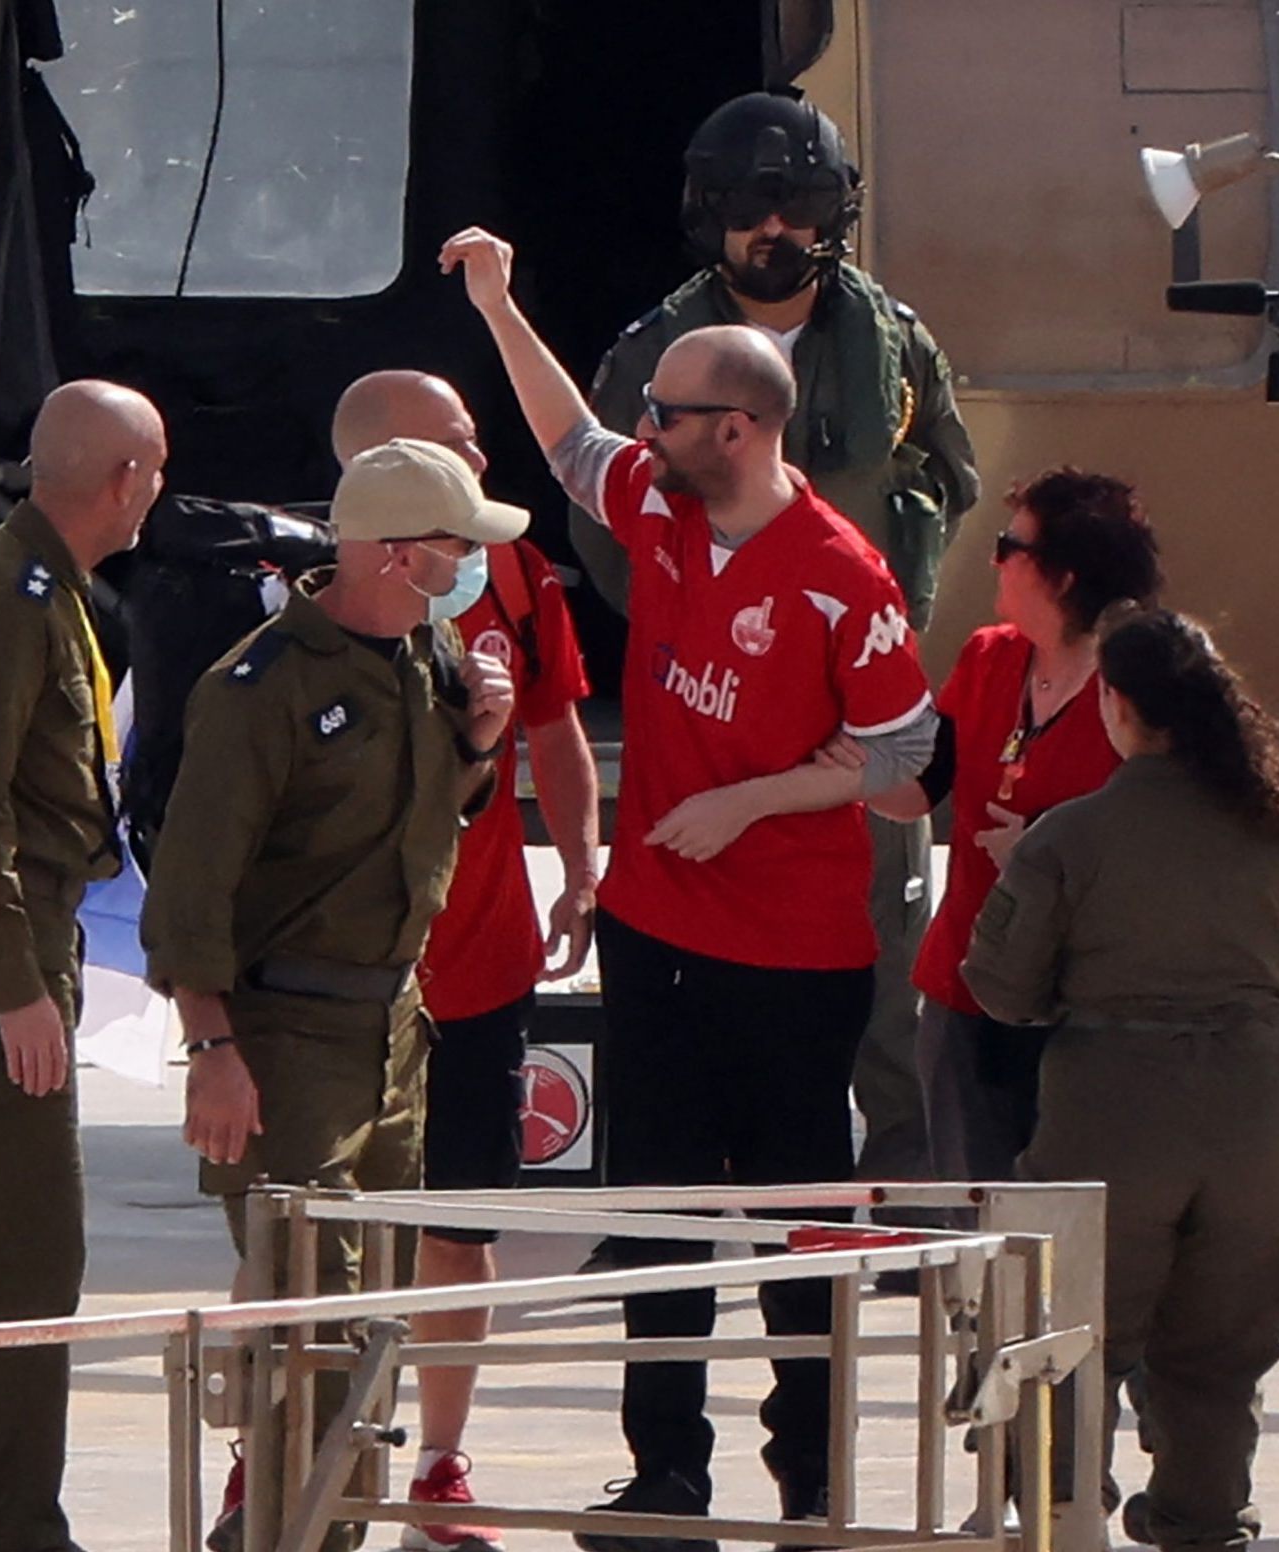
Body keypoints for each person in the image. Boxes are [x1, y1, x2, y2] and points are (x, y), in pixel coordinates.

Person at [440, 225, 938, 1547]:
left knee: (793, 1225)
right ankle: (667, 1473)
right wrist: (498, 301)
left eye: (667, 413)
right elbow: (563, 442)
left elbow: (905, 761)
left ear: (739, 429)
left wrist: (757, 795)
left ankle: (813, 1471)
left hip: (795, 952)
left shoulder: (841, 575)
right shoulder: (657, 508)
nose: (642, 428)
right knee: (655, 1220)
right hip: (660, 935)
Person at [573, 88, 980, 1215]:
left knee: (887, 933)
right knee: (681, 955)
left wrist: (884, 582)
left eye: (797, 205)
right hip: (715, 694)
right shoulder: (664, 347)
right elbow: (602, 500)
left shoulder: (891, 339)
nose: (776, 230)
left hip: (852, 697)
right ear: (711, 216)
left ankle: (894, 1169)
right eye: (752, 208)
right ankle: (667, 1201)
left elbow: (950, 471)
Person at [139, 438, 524, 1552]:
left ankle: (313, 1521)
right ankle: (281, 1530)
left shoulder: (419, 655)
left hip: (390, 1028)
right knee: (315, 1315)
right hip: (285, 1036)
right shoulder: (263, 689)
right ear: (398, 554)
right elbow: (192, 887)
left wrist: (479, 749)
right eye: (454, 548)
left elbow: (403, 827)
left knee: (369, 1323)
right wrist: (211, 1043)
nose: (469, 568)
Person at [962, 607, 1279, 1552]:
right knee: (1217, 1362)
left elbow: (998, 986)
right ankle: (1204, 1522)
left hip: (1110, 1108)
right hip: (1261, 1114)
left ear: (1114, 706)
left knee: (1071, 1347)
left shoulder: (1071, 836)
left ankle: (1062, 1516)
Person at [330, 370, 600, 1552]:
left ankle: (440, 1464)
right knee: (325, 1221)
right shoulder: (311, 603)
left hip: (478, 959)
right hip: (344, 974)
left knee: (460, 1208)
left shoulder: (523, 580)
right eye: (452, 445)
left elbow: (559, 731)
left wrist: (578, 867)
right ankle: (287, 1450)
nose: (479, 457)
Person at [0, 379, 167, 1552]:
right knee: (19, 1262)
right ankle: (10, 1529)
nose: (156, 491)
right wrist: (16, 986)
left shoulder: (45, 592)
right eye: (153, 469)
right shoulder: (5, 602)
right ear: (121, 480)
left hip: (7, 940)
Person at [836, 470, 1160, 1184]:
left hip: (1086, 1007)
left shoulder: (1142, 678)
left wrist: (1046, 852)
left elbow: (1168, 835)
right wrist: (840, 762)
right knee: (975, 1222)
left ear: (1061, 576)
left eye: (1007, 546)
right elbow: (923, 788)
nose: (992, 559)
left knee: (1069, 1220)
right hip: (967, 990)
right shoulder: (990, 656)